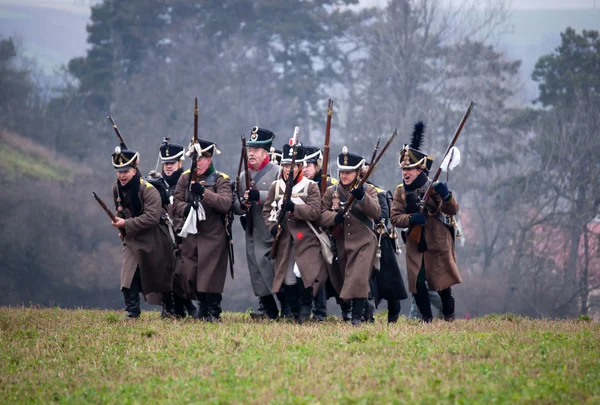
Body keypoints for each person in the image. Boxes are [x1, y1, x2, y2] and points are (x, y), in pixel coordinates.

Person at [390, 122, 461, 322]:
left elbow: (452, 209)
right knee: (417, 283)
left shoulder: (433, 187)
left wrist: (445, 196)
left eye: (410, 168)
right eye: (404, 168)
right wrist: (412, 218)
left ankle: (449, 315)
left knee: (442, 284)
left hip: (437, 241)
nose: (406, 172)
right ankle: (427, 320)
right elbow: (395, 217)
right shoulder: (400, 191)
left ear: (420, 170)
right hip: (415, 242)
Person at [263, 143, 329, 323]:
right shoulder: (276, 187)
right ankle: (293, 310)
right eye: (285, 165)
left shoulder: (310, 187)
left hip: (305, 239)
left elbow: (315, 212)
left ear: (300, 167)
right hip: (284, 239)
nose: (287, 169)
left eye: (291, 166)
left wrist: (295, 208)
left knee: (302, 272)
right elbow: (267, 211)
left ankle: (306, 308)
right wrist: (272, 226)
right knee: (288, 278)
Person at [172, 139, 232, 322]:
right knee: (190, 273)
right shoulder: (185, 178)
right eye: (194, 158)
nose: (197, 162)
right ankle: (201, 306)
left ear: (209, 159)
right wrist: (186, 209)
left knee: (210, 276)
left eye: (201, 158)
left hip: (213, 235)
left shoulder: (221, 179)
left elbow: (225, 203)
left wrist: (204, 193)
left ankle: (212, 311)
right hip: (192, 234)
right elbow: (176, 204)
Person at [319, 147, 381, 326]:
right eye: (342, 172)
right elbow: (321, 214)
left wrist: (362, 198)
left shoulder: (368, 190)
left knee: (358, 277)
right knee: (345, 281)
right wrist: (334, 217)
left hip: (364, 241)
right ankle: (365, 310)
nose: (344, 176)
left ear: (357, 172)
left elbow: (376, 212)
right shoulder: (332, 192)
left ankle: (356, 319)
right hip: (342, 243)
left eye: (349, 172)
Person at [110, 146, 174, 318]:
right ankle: (132, 311)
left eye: (126, 171)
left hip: (155, 238)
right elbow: (121, 210)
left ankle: (169, 309)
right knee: (128, 273)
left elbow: (152, 217)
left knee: (160, 277)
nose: (122, 175)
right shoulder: (116, 188)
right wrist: (120, 223)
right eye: (119, 171)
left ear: (134, 170)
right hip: (132, 237)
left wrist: (126, 223)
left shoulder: (148, 190)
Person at [232, 126, 286, 320]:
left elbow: (282, 196)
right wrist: (243, 203)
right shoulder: (242, 176)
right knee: (256, 273)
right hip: (252, 232)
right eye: (250, 150)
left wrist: (258, 196)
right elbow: (235, 204)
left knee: (274, 272)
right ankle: (270, 311)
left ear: (266, 153)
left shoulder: (278, 172)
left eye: (255, 150)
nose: (251, 154)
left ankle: (288, 309)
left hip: (270, 231)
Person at [153, 138, 199, 318]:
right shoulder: (156, 184)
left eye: (172, 163)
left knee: (182, 271)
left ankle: (187, 303)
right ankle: (169, 306)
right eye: (165, 163)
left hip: (184, 233)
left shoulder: (187, 182)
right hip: (162, 233)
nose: (168, 167)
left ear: (180, 162)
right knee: (164, 270)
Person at [360, 163, 408, 323]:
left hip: (381, 243)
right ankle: (366, 314)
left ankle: (393, 313)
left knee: (390, 283)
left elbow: (383, 218)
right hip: (359, 243)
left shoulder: (379, 193)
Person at [301, 145, 340, 321]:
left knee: (337, 277)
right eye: (302, 165)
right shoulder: (301, 185)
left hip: (329, 235)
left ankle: (348, 310)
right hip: (308, 234)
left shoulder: (331, 185)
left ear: (317, 165)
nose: (304, 169)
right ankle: (316, 311)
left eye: (308, 165)